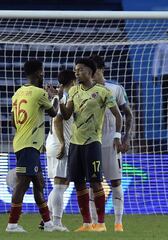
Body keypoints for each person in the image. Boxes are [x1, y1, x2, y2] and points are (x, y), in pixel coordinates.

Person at [58, 58, 122, 232]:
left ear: (90, 72)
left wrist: (117, 135)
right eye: (75, 69)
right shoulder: (73, 91)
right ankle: (87, 223)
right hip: (75, 143)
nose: (76, 72)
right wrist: (59, 98)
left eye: (80, 69)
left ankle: (100, 223)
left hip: (93, 143)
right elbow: (66, 115)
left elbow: (118, 115)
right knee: (78, 183)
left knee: (95, 183)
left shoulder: (103, 92)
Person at [6, 60, 63, 232]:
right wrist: (55, 96)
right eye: (42, 71)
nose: (43, 74)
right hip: (29, 145)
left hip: (23, 142)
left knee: (38, 183)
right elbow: (53, 112)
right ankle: (12, 224)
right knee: (22, 183)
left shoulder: (17, 93)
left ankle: (47, 223)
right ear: (39, 72)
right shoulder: (39, 93)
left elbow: (13, 122)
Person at [89, 55, 133, 232]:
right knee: (93, 183)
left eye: (93, 72)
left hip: (112, 144)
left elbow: (127, 113)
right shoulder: (83, 90)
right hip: (91, 144)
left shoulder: (115, 89)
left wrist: (126, 138)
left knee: (115, 182)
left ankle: (118, 223)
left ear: (100, 70)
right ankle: (95, 223)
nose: (91, 76)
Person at [45, 70, 76, 232]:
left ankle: (48, 220)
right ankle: (56, 223)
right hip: (60, 143)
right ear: (73, 81)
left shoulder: (59, 96)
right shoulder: (65, 97)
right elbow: (57, 120)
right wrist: (63, 143)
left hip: (53, 143)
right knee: (59, 185)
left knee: (63, 184)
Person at [152, 42, 168, 126]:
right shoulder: (161, 45)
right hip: (165, 75)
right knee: (166, 98)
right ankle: (166, 120)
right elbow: (156, 60)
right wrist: (154, 74)